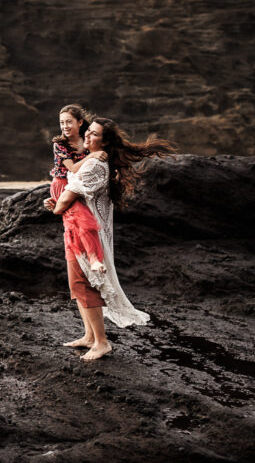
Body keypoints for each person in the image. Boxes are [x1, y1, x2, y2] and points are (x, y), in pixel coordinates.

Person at [44, 117, 175, 361]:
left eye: (93, 134)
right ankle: (89, 336)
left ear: (104, 142)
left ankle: (102, 342)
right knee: (76, 284)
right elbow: (69, 195)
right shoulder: (89, 161)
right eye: (88, 132)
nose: (87, 137)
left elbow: (68, 197)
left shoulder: (96, 165)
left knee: (86, 285)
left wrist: (56, 207)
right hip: (74, 229)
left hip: (88, 234)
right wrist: (57, 203)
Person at [49, 105, 106, 273]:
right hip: (61, 184)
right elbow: (72, 168)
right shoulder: (60, 144)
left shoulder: (86, 139)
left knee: (82, 219)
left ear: (80, 122)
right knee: (82, 217)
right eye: (62, 123)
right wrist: (92, 155)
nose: (65, 126)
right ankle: (93, 259)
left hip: (80, 184)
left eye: (69, 122)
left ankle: (89, 263)